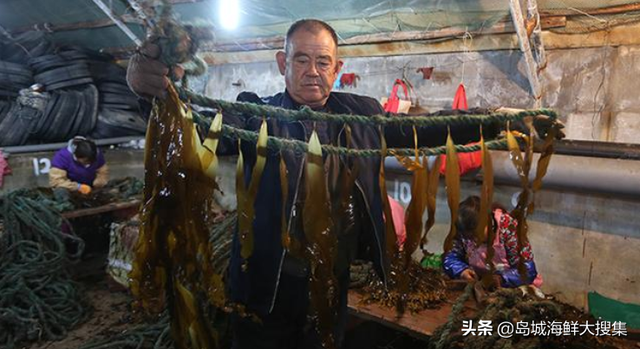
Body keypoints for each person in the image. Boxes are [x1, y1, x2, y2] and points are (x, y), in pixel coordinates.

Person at [127, 19, 558, 348]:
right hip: (263, 280)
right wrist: (153, 89)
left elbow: (427, 130)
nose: (312, 71)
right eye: (301, 59)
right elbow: (199, 127)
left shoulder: (363, 114)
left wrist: (498, 120)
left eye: (322, 61)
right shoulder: (255, 113)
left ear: (337, 67)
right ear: (283, 63)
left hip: (329, 278)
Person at [443, 195, 543, 288]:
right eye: (470, 237)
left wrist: (501, 278)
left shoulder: (508, 227)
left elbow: (527, 270)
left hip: (512, 286)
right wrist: (462, 271)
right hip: (480, 284)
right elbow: (450, 257)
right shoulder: (463, 230)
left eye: (478, 234)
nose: (476, 240)